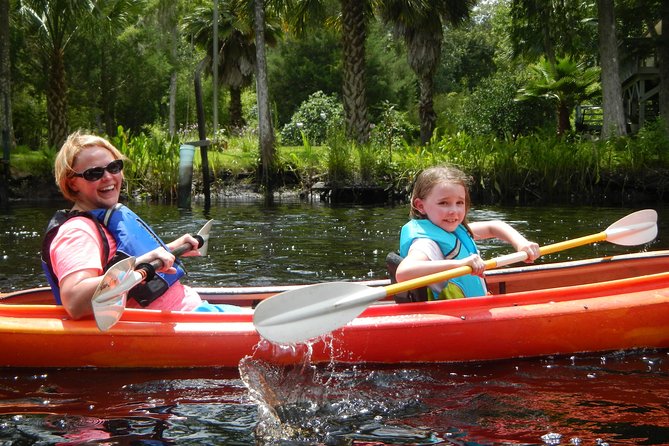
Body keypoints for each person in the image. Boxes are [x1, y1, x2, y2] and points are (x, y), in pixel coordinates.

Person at [42, 131, 239, 320]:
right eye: (94, 173)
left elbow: (116, 259)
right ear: (72, 183)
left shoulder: (100, 220)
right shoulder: (78, 232)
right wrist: (140, 263)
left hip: (192, 311)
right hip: (168, 328)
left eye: (114, 167)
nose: (108, 177)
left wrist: (168, 249)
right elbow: (75, 301)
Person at [395, 165, 541, 300]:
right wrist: (461, 264)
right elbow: (404, 272)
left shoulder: (452, 230)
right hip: (457, 317)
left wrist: (522, 244)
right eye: (443, 203)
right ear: (420, 206)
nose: (454, 211)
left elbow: (494, 226)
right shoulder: (426, 244)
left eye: (459, 202)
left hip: (473, 308)